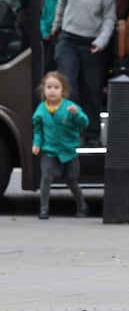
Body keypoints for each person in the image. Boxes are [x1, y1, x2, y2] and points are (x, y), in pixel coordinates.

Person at [51, 0, 116, 146]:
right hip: (68, 39)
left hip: (92, 44)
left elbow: (109, 18)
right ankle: (70, 130)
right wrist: (56, 27)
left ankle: (92, 134)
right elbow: (62, 4)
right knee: (68, 85)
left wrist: (101, 42)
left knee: (92, 89)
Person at [32, 71, 89, 219]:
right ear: (43, 90)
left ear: (63, 91)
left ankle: (82, 205)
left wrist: (77, 114)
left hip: (68, 150)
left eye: (56, 87)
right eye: (49, 87)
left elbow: (84, 123)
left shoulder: (70, 107)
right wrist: (36, 143)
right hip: (49, 150)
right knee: (46, 177)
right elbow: (38, 130)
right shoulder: (41, 110)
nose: (52, 90)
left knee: (71, 181)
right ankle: (44, 209)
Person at [39, 0, 64, 72]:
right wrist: (45, 33)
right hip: (47, 38)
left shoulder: (62, 0)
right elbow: (43, 18)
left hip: (58, 37)